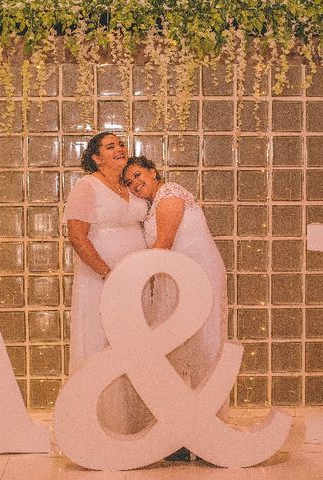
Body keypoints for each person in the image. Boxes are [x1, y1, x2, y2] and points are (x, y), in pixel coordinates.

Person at [122, 156, 228, 461]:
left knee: (204, 351)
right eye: (129, 182)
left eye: (138, 175)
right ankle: (180, 433)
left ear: (153, 172)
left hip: (197, 275)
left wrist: (126, 268)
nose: (135, 183)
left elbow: (164, 243)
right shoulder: (150, 206)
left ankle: (208, 436)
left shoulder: (170, 193)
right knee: (175, 354)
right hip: (174, 278)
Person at [63, 132, 152, 435]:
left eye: (122, 145)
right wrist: (107, 273)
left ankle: (136, 425)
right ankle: (99, 428)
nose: (119, 149)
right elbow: (77, 236)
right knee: (103, 343)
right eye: (110, 146)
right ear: (96, 158)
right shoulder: (87, 187)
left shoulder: (131, 185)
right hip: (101, 280)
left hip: (136, 282)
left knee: (136, 345)